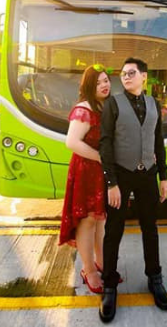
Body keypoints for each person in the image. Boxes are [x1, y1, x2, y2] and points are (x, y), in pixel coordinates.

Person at [98, 57, 167, 323]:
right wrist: (112, 183)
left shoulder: (154, 104)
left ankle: (155, 278)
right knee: (113, 231)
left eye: (131, 73)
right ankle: (109, 287)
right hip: (121, 174)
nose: (126, 77)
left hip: (148, 174)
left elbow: (158, 140)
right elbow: (105, 144)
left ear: (144, 76)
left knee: (150, 229)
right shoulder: (113, 104)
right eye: (123, 73)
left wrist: (163, 176)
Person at [58, 65, 112, 294]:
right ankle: (88, 270)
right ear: (90, 86)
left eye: (107, 80)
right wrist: (101, 158)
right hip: (86, 170)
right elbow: (72, 142)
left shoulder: (102, 106)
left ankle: (102, 264)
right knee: (88, 220)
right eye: (99, 82)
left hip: (99, 171)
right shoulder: (84, 109)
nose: (105, 85)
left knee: (101, 220)